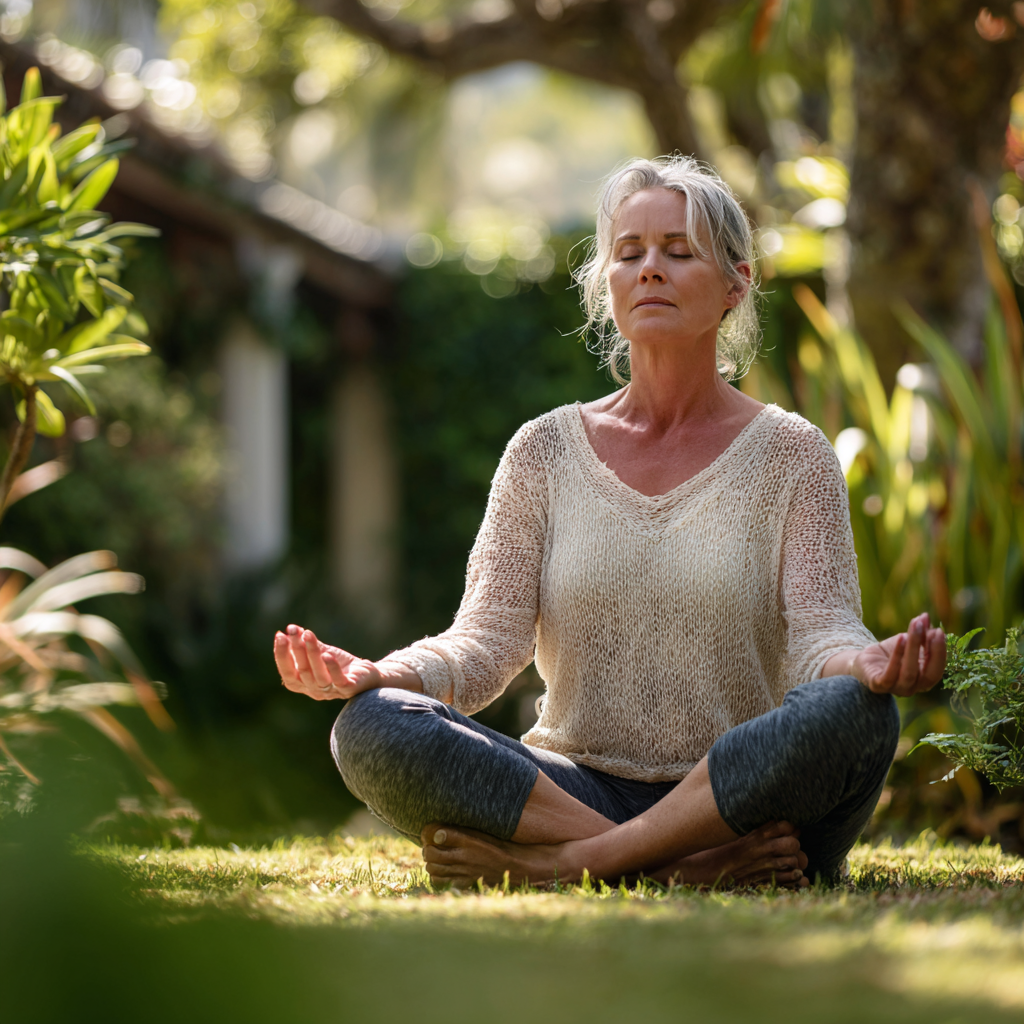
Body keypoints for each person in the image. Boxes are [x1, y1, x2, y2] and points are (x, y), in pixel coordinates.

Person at [274, 155, 946, 889]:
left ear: (735, 284)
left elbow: (823, 632)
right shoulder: (542, 451)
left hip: (741, 796)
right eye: (629, 254)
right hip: (574, 788)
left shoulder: (793, 454)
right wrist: (385, 673)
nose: (650, 269)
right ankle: (683, 868)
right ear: (608, 284)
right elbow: (485, 642)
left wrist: (866, 664)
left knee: (857, 712)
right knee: (372, 724)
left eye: (678, 252)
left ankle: (571, 866)